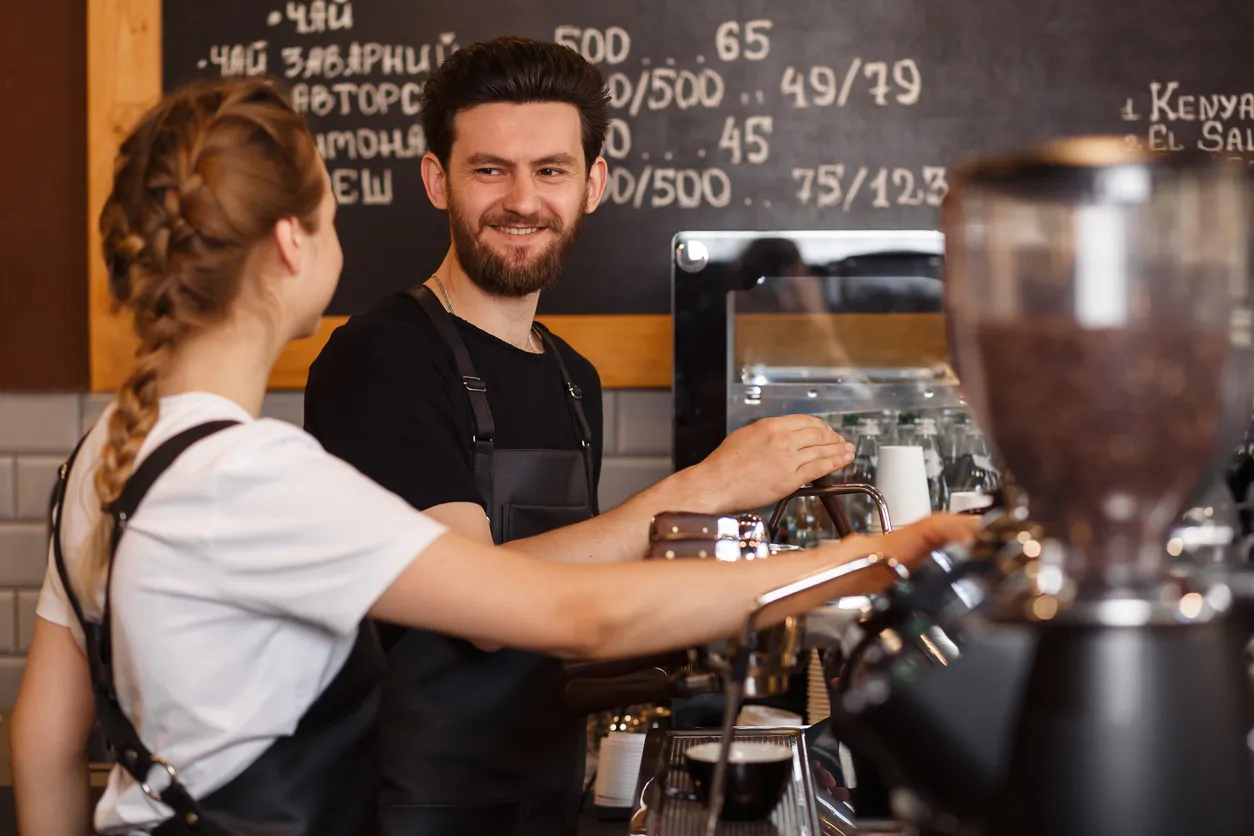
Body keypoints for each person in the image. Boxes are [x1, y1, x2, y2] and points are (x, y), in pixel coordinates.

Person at [9, 77, 976, 836]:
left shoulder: (113, 448)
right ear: (292, 244)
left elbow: (47, 741)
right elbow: (572, 612)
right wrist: (884, 551)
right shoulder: (257, 477)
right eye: (337, 212)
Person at [301, 37, 861, 835]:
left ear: (593, 184)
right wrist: (702, 490)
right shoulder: (382, 358)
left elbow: (569, 610)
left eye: (551, 170)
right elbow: (478, 603)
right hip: (409, 808)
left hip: (547, 797)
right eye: (490, 169)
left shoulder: (572, 378)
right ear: (438, 180)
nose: (522, 200)